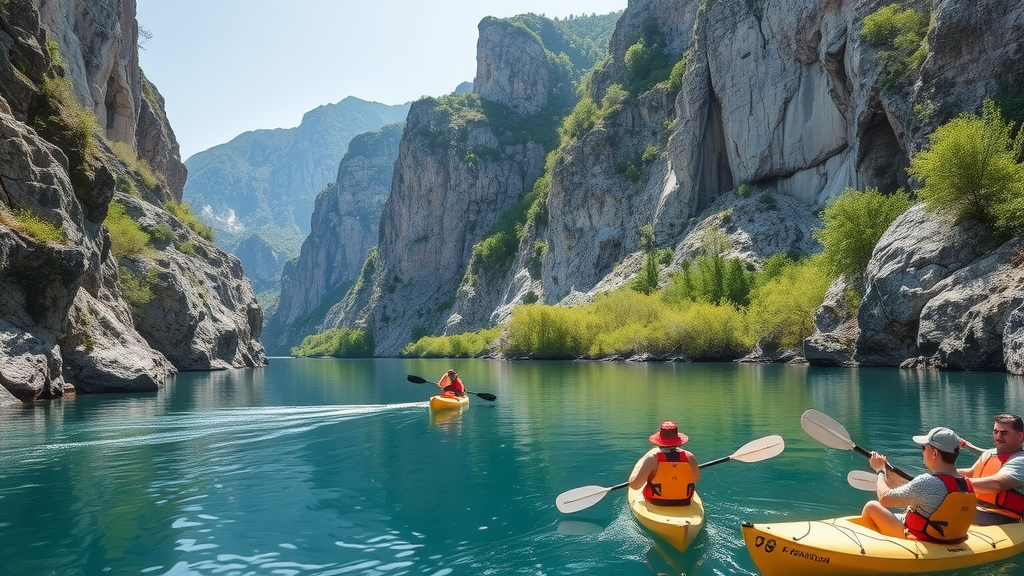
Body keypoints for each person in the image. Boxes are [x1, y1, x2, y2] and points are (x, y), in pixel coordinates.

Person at [860, 427, 975, 542]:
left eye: (924, 448)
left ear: (934, 453)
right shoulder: (966, 483)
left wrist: (880, 470)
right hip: (947, 538)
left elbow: (885, 499)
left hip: (921, 538)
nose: (922, 452)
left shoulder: (927, 483)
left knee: (872, 507)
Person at [957, 413, 1024, 525]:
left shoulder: (1021, 460)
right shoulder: (989, 453)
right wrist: (940, 475)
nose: (998, 436)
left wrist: (954, 483)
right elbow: (972, 473)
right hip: (977, 507)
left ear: (1020, 436)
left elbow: (997, 483)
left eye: (1004, 432)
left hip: (1007, 516)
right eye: (995, 432)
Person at [628, 421, 701, 506]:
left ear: (659, 440)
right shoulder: (689, 456)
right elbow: (695, 478)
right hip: (684, 501)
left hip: (655, 501)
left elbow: (634, 486)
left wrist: (639, 464)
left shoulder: (652, 458)